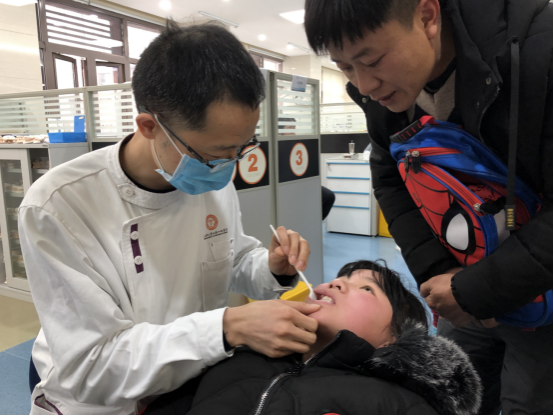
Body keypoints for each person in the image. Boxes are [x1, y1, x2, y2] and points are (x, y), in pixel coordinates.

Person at [19, 21, 321, 415]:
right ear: (149, 126)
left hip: (192, 384)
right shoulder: (58, 207)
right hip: (104, 403)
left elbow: (229, 259)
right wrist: (226, 328)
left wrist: (271, 268)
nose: (229, 166)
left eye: (241, 148)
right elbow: (92, 366)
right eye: (215, 154)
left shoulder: (210, 177)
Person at [304, 0, 553, 414]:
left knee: (530, 401)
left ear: (426, 16)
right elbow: (389, 176)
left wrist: (482, 288)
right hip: (462, 284)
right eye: (345, 67)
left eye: (372, 60)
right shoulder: (381, 92)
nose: (364, 85)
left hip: (541, 287)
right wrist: (441, 273)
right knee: (453, 396)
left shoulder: (539, 52)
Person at [144, 260, 482, 415]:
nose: (335, 283)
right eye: (339, 278)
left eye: (367, 289)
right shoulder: (243, 353)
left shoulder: (398, 404)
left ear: (395, 339)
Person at [278, 117, 336, 220]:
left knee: (328, 196)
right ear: (280, 131)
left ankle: (313, 223)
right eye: (289, 128)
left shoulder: (296, 145)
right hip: (285, 186)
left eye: (294, 128)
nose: (293, 132)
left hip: (300, 183)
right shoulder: (277, 147)